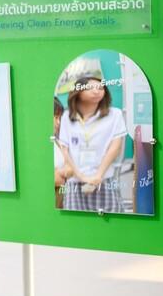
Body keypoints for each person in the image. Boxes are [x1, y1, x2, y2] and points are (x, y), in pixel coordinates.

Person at [58, 77, 127, 213]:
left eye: (101, 88)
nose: (97, 91)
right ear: (78, 91)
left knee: (110, 223)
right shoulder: (67, 116)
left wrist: (98, 176)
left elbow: (115, 148)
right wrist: (81, 176)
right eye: (91, 88)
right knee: (76, 225)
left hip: (104, 180)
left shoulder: (115, 114)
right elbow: (64, 149)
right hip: (75, 182)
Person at [53, 97, 72, 208]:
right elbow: (56, 179)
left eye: (59, 118)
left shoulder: (58, 142)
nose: (58, 123)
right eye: (56, 117)